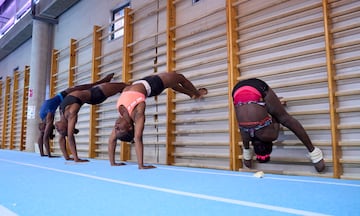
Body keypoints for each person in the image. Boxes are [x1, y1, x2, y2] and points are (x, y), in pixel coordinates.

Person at [108, 72, 208, 169]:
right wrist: (141, 165)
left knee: (171, 83)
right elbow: (138, 138)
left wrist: (112, 163)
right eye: (119, 130)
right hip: (152, 85)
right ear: (129, 127)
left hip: (140, 82)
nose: (116, 127)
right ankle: (197, 93)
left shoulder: (122, 119)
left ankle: (191, 95)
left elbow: (112, 140)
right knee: (180, 78)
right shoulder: (138, 113)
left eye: (116, 130)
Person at [232, 78, 325, 172]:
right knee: (259, 109)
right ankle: (314, 153)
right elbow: (246, 147)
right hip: (237, 90)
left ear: (270, 143)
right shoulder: (246, 135)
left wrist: (278, 105)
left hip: (256, 88)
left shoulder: (270, 136)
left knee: (285, 119)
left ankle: (314, 153)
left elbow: (276, 118)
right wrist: (247, 159)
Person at [37, 73, 115, 157]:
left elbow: (45, 138)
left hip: (63, 96)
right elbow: (43, 136)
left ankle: (102, 81)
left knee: (88, 87)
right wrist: (43, 154)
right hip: (63, 99)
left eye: (54, 128)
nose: (56, 127)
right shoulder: (42, 116)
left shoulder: (49, 118)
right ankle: (102, 82)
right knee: (86, 88)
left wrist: (49, 155)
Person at [55, 81, 129, 162]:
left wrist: (67, 157)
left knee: (124, 87)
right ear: (67, 126)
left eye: (58, 130)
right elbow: (70, 136)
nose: (57, 129)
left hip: (91, 91)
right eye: (61, 131)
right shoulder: (71, 113)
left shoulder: (62, 111)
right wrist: (76, 158)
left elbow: (62, 138)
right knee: (124, 86)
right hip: (96, 95)